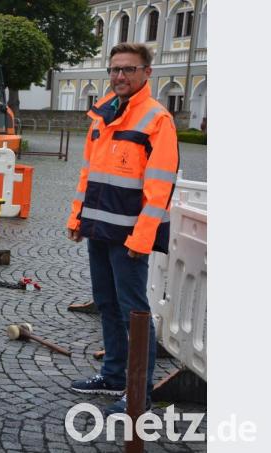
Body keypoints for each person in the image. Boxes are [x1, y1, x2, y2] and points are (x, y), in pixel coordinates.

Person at [66, 43, 179, 415]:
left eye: (128, 70)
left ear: (147, 73)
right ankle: (114, 374)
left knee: (135, 313)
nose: (119, 76)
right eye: (115, 69)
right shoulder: (103, 116)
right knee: (106, 305)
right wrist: (77, 218)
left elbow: (160, 186)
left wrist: (143, 237)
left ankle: (138, 391)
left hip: (130, 236)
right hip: (99, 229)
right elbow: (88, 173)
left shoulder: (156, 119)